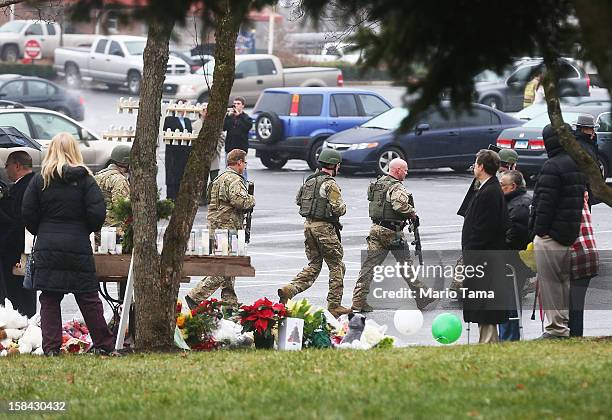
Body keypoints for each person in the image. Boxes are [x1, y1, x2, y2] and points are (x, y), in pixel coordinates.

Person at [22, 132, 118, 356]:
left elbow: (28, 214)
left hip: (47, 244)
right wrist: (83, 229)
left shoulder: (40, 180)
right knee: (88, 297)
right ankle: (104, 345)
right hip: (77, 245)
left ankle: (52, 348)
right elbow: (97, 213)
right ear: (75, 151)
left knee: (49, 298)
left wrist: (43, 230)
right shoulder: (85, 180)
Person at [350, 158, 434, 312]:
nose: (407, 173)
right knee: (406, 266)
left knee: (368, 267)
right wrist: (412, 213)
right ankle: (423, 296)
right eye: (405, 170)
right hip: (393, 233)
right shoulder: (396, 187)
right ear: (397, 170)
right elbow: (399, 205)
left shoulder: (378, 183)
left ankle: (358, 301)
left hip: (376, 229)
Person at [277, 149, 352, 318]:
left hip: (308, 226)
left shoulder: (309, 181)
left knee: (314, 264)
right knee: (337, 266)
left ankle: (290, 289)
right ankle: (334, 305)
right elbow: (339, 208)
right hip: (324, 228)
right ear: (334, 165)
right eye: (338, 165)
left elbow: (298, 200)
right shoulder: (330, 184)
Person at [529, 124, 586, 339]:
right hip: (568, 235)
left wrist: (538, 231)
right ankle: (562, 325)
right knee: (563, 283)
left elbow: (544, 203)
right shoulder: (577, 165)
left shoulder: (552, 166)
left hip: (550, 236)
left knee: (550, 284)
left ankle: (555, 329)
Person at [185, 149, 255, 309]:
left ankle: (230, 302)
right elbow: (240, 202)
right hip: (228, 229)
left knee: (229, 266)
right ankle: (195, 296)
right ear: (239, 163)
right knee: (225, 267)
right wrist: (252, 199)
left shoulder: (219, 178)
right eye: (244, 163)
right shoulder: (234, 180)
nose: (244, 166)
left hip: (216, 228)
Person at [461, 149, 510, 343]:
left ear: (481, 166)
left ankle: (488, 342)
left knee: (486, 303)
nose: (474, 166)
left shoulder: (490, 191)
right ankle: (487, 340)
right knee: (483, 303)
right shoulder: (487, 188)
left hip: (484, 258)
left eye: (476, 163)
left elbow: (483, 229)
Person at [0, 151, 36, 316]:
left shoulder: (23, 188)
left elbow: (16, 220)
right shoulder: (35, 183)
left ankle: (22, 328)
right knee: (27, 292)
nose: (6, 170)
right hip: (27, 247)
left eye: (7, 166)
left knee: (17, 295)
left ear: (17, 165)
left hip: (16, 250)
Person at [498, 170, 532, 341]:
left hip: (512, 261)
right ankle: (507, 337)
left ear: (513, 186)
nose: (499, 187)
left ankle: (509, 339)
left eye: (502, 185)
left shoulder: (519, 205)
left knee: (509, 300)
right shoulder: (513, 201)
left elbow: (514, 236)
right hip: (513, 259)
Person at [569, 191, 598, 337]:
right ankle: (576, 336)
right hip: (589, 256)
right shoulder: (582, 199)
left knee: (569, 305)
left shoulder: (567, 204)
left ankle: (572, 336)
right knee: (576, 304)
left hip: (576, 258)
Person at [94, 144, 130, 237]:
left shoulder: (99, 175)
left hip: (97, 224)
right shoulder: (119, 180)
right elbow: (121, 208)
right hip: (112, 229)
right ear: (127, 163)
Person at [164, 103, 193, 200]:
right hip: (173, 154)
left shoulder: (187, 120)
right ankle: (171, 199)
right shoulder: (169, 119)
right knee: (172, 178)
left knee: (183, 177)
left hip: (185, 153)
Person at [192, 106, 226, 183]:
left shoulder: (216, 122)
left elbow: (222, 137)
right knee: (201, 183)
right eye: (203, 109)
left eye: (207, 109)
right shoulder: (194, 125)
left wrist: (217, 148)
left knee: (214, 183)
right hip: (201, 158)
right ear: (200, 111)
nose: (205, 111)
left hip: (214, 157)